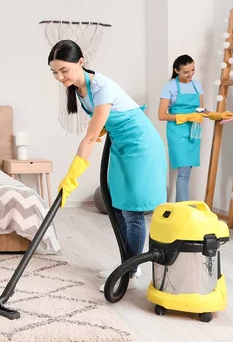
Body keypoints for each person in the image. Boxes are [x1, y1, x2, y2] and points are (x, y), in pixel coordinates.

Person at [49, 40, 167, 292]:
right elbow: (104, 121)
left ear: (80, 62)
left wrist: (71, 177)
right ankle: (127, 264)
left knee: (132, 212)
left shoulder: (101, 87)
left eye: (64, 70)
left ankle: (131, 272)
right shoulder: (79, 89)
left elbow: (90, 138)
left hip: (141, 146)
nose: (60, 77)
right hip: (121, 146)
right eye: (55, 72)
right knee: (118, 207)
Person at [158, 55, 204, 202]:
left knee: (187, 171)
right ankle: (182, 209)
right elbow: (162, 115)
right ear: (176, 70)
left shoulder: (197, 84)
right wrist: (186, 117)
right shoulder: (170, 86)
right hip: (177, 132)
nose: (190, 75)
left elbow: (201, 110)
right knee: (183, 171)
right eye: (186, 72)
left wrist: (217, 115)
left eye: (193, 70)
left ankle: (182, 208)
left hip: (193, 131)